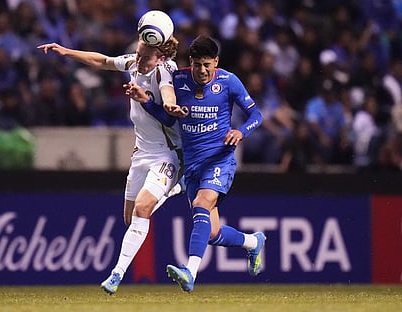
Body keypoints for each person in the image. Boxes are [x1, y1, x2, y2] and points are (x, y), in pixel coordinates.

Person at [37, 31, 184, 295]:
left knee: (142, 209)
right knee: (130, 219)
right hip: (141, 154)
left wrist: (162, 104)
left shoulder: (164, 73)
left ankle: (116, 274)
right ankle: (174, 189)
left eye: (146, 57)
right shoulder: (133, 64)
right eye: (138, 55)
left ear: (160, 57)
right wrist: (66, 51)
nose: (139, 61)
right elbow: (102, 61)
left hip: (166, 154)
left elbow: (169, 104)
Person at [164, 35, 266, 293]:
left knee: (201, 204)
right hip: (193, 165)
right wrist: (145, 100)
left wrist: (241, 131)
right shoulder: (178, 80)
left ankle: (190, 273)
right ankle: (253, 242)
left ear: (216, 62)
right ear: (190, 62)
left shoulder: (228, 81)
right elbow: (163, 115)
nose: (202, 70)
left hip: (220, 160)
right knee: (211, 233)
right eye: (197, 64)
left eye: (207, 64)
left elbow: (257, 114)